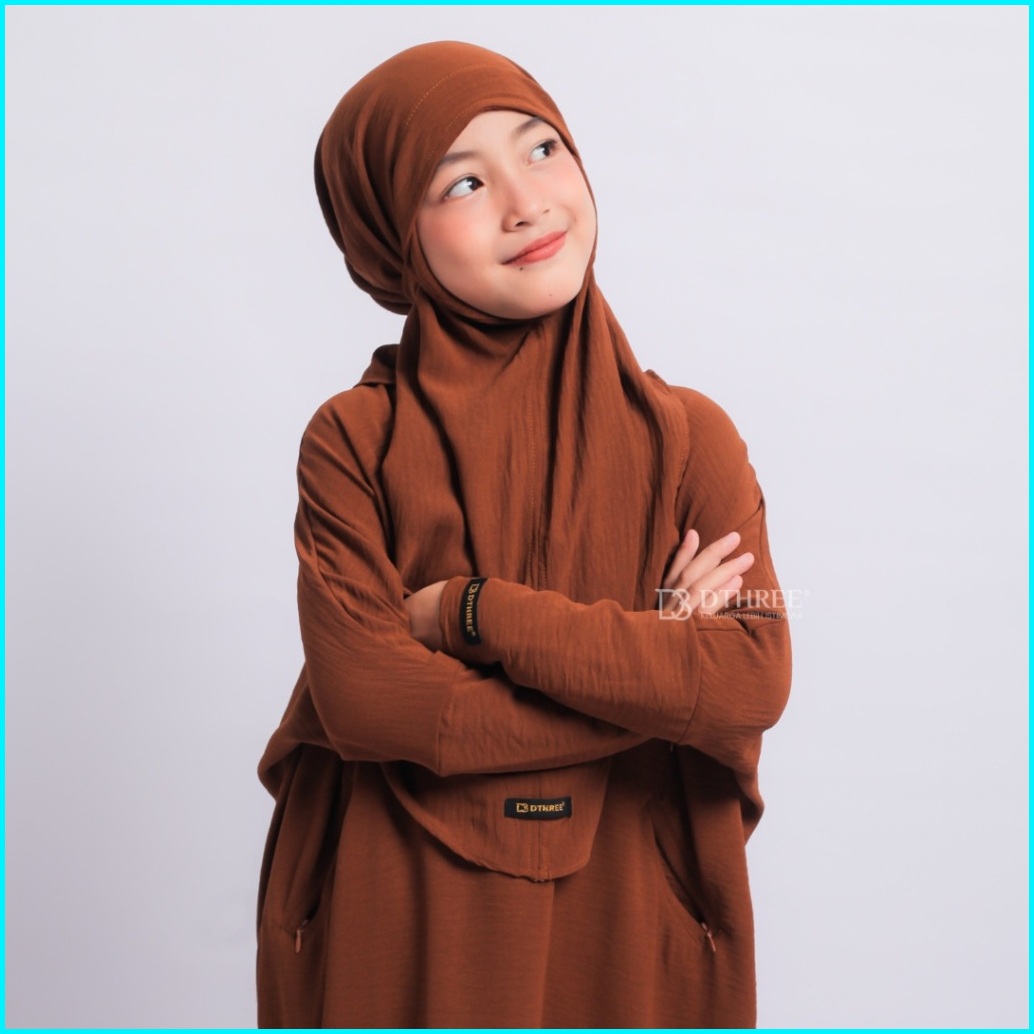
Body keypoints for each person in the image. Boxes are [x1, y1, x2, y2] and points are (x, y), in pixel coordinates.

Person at [256, 40, 791, 1029]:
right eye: (462, 181)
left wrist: (471, 612)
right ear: (392, 236)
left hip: (634, 907)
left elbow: (750, 682)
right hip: (401, 905)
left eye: (542, 148)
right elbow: (372, 703)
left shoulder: (689, 441)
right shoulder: (354, 442)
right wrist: (658, 671)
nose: (526, 202)